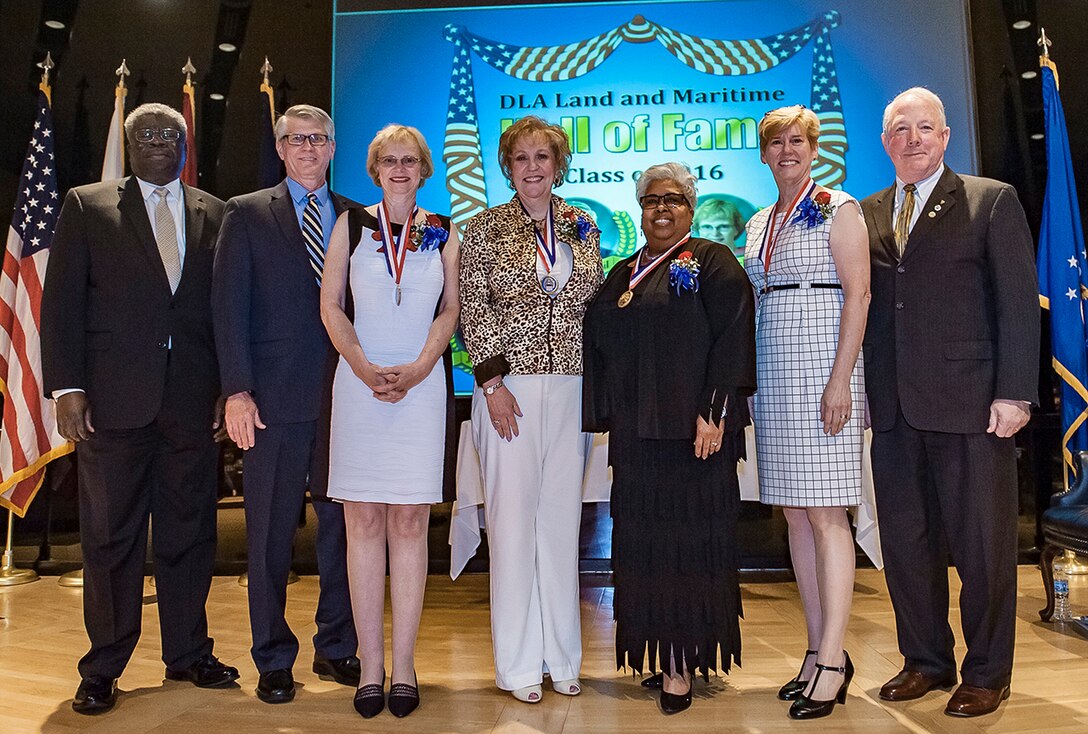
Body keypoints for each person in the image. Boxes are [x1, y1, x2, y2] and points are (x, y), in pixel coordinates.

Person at [41, 102, 238, 715]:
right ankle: (103, 666)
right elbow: (62, 304)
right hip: (111, 404)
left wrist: (227, 387)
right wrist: (67, 387)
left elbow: (224, 312)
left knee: (190, 535)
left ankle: (187, 653)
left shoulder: (216, 212)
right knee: (109, 539)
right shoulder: (87, 205)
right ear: (129, 145)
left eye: (169, 134)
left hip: (190, 405)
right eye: (145, 135)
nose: (158, 142)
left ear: (184, 144)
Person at [861, 87, 1038, 718]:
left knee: (982, 548)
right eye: (899, 129)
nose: (912, 138)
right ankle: (926, 661)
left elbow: (1018, 304)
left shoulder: (991, 201)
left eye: (924, 127)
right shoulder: (868, 211)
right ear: (885, 143)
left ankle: (988, 672)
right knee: (907, 544)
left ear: (945, 137)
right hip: (894, 407)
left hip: (973, 406)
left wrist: (1015, 393)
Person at [583, 162, 756, 715]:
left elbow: (732, 335)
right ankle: (660, 655)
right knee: (645, 549)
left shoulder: (712, 260)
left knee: (688, 547)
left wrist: (714, 411)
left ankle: (683, 663)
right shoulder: (623, 272)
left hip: (694, 439)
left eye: (674, 199)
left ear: (691, 206)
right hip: (638, 440)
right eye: (652, 199)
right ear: (639, 209)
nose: (662, 208)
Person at [212, 104, 358, 704]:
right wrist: (237, 390)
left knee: (342, 533)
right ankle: (272, 656)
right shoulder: (245, 214)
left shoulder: (359, 216)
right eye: (296, 139)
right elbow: (227, 308)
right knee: (270, 534)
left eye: (318, 139)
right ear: (280, 148)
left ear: (331, 147)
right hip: (269, 402)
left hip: (347, 400)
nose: (307, 148)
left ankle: (337, 647)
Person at [459, 115, 603, 703]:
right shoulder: (483, 229)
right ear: (507, 166)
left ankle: (563, 659)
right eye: (521, 158)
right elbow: (474, 309)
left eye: (544, 156)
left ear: (559, 164)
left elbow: (592, 303)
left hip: (570, 389)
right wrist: (492, 385)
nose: (534, 167)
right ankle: (518, 666)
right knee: (514, 529)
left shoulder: (582, 224)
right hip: (507, 392)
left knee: (561, 527)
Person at [320, 124, 459, 719]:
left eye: (410, 160)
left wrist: (422, 367)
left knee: (408, 525)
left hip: (421, 391)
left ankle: (404, 667)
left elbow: (452, 308)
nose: (399, 168)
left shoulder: (447, 232)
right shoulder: (349, 225)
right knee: (361, 529)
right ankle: (369, 669)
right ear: (374, 169)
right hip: (359, 389)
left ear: (425, 170)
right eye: (388, 160)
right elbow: (329, 305)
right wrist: (364, 367)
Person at [743, 106, 870, 720]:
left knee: (827, 517)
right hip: (775, 379)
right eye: (776, 143)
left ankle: (835, 657)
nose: (786, 150)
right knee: (795, 515)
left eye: (797, 140)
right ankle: (819, 650)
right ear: (764, 154)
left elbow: (860, 293)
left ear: (813, 148)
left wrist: (841, 380)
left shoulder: (840, 208)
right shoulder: (760, 220)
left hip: (824, 373)